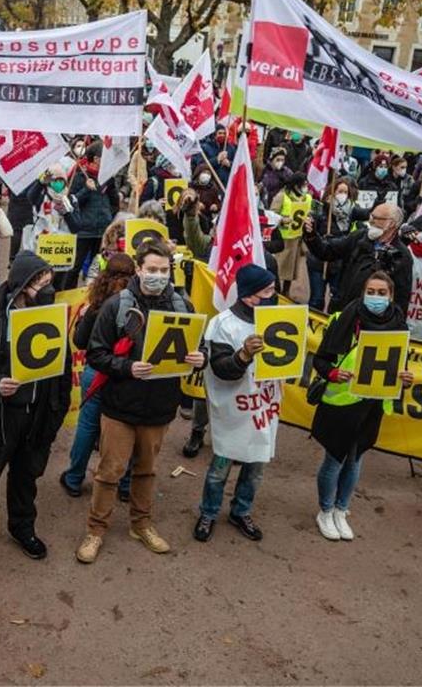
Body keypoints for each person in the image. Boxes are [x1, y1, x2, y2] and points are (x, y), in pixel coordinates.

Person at [75, 239, 206, 564]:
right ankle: (95, 530)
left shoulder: (182, 306)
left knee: (146, 471)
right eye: (151, 270)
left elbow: (199, 347)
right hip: (120, 406)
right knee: (110, 472)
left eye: (163, 270)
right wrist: (127, 367)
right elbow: (95, 353)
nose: (157, 276)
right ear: (139, 269)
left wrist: (199, 358)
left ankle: (141, 524)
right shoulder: (116, 305)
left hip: (159, 408)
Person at [0, 252, 72, 575]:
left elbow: (62, 370)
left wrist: (56, 412)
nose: (47, 290)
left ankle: (22, 528)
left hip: (36, 419)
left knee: (26, 480)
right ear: (21, 284)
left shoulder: (52, 318)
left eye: (49, 283)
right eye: (40, 283)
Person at [311, 272, 414, 541]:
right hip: (340, 404)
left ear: (391, 296)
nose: (376, 297)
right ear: (362, 291)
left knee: (355, 460)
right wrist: (334, 374)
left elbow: (398, 365)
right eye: (371, 291)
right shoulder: (343, 319)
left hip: (372, 406)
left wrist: (405, 377)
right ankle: (325, 510)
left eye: (382, 293)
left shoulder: (399, 325)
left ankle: (341, 510)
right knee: (334, 460)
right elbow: (320, 361)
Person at [192, 264, 282, 543]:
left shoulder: (278, 320)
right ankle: (208, 511)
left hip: (263, 407)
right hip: (233, 409)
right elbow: (220, 369)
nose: (273, 295)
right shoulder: (222, 324)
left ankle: (241, 511)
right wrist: (243, 355)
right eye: (268, 290)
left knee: (255, 467)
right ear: (249, 295)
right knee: (220, 468)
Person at [59, 253, 136, 499]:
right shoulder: (139, 305)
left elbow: (79, 342)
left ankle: (73, 479)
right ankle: (124, 485)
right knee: (128, 429)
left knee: (88, 426)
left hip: (97, 373)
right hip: (127, 374)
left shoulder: (96, 306)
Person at [303, 202, 414, 313]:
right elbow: (327, 251)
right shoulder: (359, 237)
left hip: (373, 319)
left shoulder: (402, 256)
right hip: (344, 310)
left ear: (391, 223)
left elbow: (401, 298)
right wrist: (311, 235)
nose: (371, 221)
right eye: (371, 216)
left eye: (376, 218)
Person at [306, 177, 368, 311]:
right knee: (317, 299)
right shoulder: (319, 207)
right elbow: (309, 229)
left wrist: (378, 202)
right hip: (318, 261)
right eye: (340, 191)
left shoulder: (352, 210)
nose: (342, 195)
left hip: (339, 261)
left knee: (337, 298)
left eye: (345, 192)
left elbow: (367, 214)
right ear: (332, 192)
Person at [64, 143, 113, 289]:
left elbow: (114, 199)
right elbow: (72, 201)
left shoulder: (107, 177)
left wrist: (108, 215)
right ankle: (68, 295)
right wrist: (86, 189)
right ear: (97, 158)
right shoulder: (80, 175)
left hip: (102, 230)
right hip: (84, 230)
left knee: (98, 267)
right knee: (74, 267)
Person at [267, 172, 313, 299]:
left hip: (297, 238)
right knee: (279, 267)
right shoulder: (282, 196)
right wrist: (282, 220)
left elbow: (309, 213)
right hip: (283, 239)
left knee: (292, 270)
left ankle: (286, 292)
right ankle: (276, 291)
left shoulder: (307, 198)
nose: (305, 187)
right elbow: (271, 214)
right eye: (303, 185)